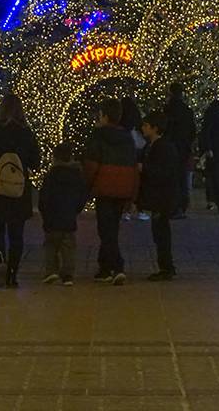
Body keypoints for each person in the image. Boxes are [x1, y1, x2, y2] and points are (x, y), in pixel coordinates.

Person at [0, 94, 41, 288]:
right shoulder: (25, 132)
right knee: (16, 234)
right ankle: (12, 273)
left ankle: (0, 260)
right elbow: (36, 162)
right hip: (18, 191)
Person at [82, 96, 140, 285]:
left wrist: (86, 185)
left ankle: (117, 266)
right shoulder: (128, 138)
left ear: (105, 116)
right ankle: (104, 267)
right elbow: (133, 165)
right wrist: (133, 194)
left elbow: (92, 164)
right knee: (111, 228)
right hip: (123, 187)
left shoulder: (98, 136)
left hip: (105, 186)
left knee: (105, 230)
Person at [37, 142, 87, 285]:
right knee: (68, 247)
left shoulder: (51, 175)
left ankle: (51, 271)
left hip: (52, 216)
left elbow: (44, 198)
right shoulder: (76, 175)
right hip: (69, 216)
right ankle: (68, 275)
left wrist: (44, 212)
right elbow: (82, 195)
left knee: (51, 245)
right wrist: (76, 209)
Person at [138, 110, 180, 281]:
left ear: (154, 128)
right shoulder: (153, 146)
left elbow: (165, 173)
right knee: (160, 232)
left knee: (161, 233)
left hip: (163, 197)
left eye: (146, 125)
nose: (142, 128)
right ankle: (166, 266)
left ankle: (166, 267)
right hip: (161, 196)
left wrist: (144, 169)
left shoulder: (162, 147)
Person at [163, 82, 196, 217]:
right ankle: (181, 207)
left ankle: (171, 206)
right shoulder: (187, 111)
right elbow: (192, 131)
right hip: (183, 148)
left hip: (170, 147)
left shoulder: (167, 110)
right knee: (182, 178)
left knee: (171, 178)